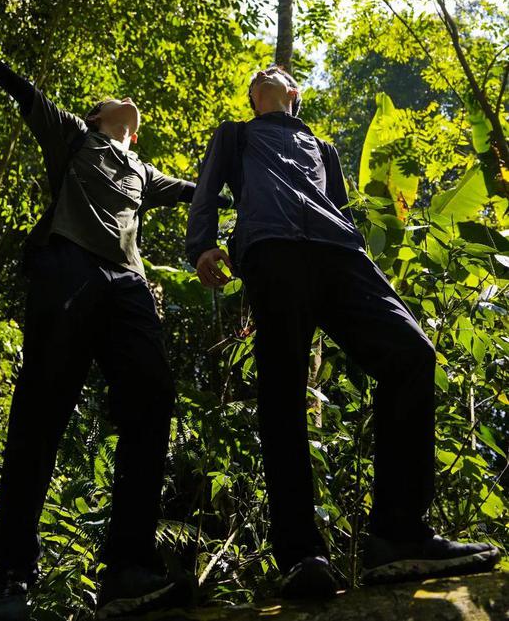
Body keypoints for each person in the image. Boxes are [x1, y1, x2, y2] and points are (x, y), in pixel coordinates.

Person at [0, 5, 213, 621]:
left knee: (152, 400)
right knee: (42, 411)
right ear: (100, 117)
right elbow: (23, 90)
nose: (128, 107)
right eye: (116, 102)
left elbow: (200, 191)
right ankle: (9, 580)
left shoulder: (142, 168)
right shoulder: (75, 136)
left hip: (129, 287)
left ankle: (128, 570)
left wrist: (250, 168)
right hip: (68, 270)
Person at [185, 64, 499, 598]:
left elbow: (338, 204)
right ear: (254, 97)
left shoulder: (322, 146)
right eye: (259, 76)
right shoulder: (236, 134)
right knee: (282, 394)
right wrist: (202, 244)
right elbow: (208, 187)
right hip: (271, 250)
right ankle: (301, 555)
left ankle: (398, 534)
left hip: (340, 253)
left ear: (294, 93)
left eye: (277, 72)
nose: (267, 74)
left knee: (411, 355)